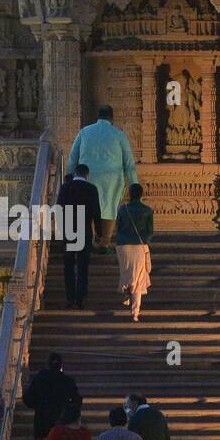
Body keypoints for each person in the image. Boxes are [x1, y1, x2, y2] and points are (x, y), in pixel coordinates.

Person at [67, 104, 138, 251]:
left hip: (87, 177)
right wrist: (134, 184)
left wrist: (69, 178)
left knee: (88, 208)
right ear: (112, 118)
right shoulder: (119, 134)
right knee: (110, 208)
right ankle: (105, 243)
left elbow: (72, 158)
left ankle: (90, 240)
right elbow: (129, 162)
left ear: (97, 117)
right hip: (112, 179)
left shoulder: (84, 132)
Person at [22, 353, 81, 440]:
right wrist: (69, 414)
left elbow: (27, 399)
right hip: (62, 426)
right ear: (61, 365)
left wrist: (38, 406)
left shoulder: (39, 378)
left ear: (47, 364)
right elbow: (77, 401)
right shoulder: (68, 381)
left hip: (41, 426)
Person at [55, 164, 101, 309]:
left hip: (68, 231)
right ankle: (80, 297)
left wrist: (59, 230)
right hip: (84, 231)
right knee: (83, 266)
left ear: (75, 173)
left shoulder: (65, 187)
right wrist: (99, 233)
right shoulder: (92, 189)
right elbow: (96, 212)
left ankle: (70, 297)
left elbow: (58, 209)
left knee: (68, 265)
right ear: (87, 175)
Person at [114, 183, 153, 323]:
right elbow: (150, 233)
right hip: (139, 246)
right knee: (139, 278)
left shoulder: (123, 209)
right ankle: (135, 312)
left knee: (126, 273)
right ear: (141, 195)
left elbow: (118, 228)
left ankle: (126, 293)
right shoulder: (147, 210)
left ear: (129, 194)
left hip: (123, 246)